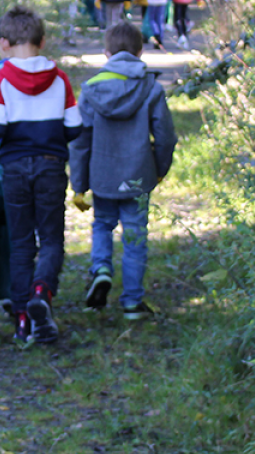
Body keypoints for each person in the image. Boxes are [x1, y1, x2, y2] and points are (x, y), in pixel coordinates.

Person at [0, 6, 81, 345]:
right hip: (50, 165)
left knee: (20, 243)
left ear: (6, 42)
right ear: (42, 40)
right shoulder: (60, 77)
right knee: (51, 239)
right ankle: (41, 292)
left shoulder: (0, 78)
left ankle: (22, 319)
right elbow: (75, 128)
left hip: (15, 168)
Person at [70, 20, 177, 321]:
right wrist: (159, 170)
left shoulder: (90, 91)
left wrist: (78, 185)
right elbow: (166, 136)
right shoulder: (151, 88)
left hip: (102, 175)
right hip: (138, 175)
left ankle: (101, 269)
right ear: (140, 52)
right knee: (135, 235)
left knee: (102, 224)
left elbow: (80, 141)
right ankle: (132, 302)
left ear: (107, 53)